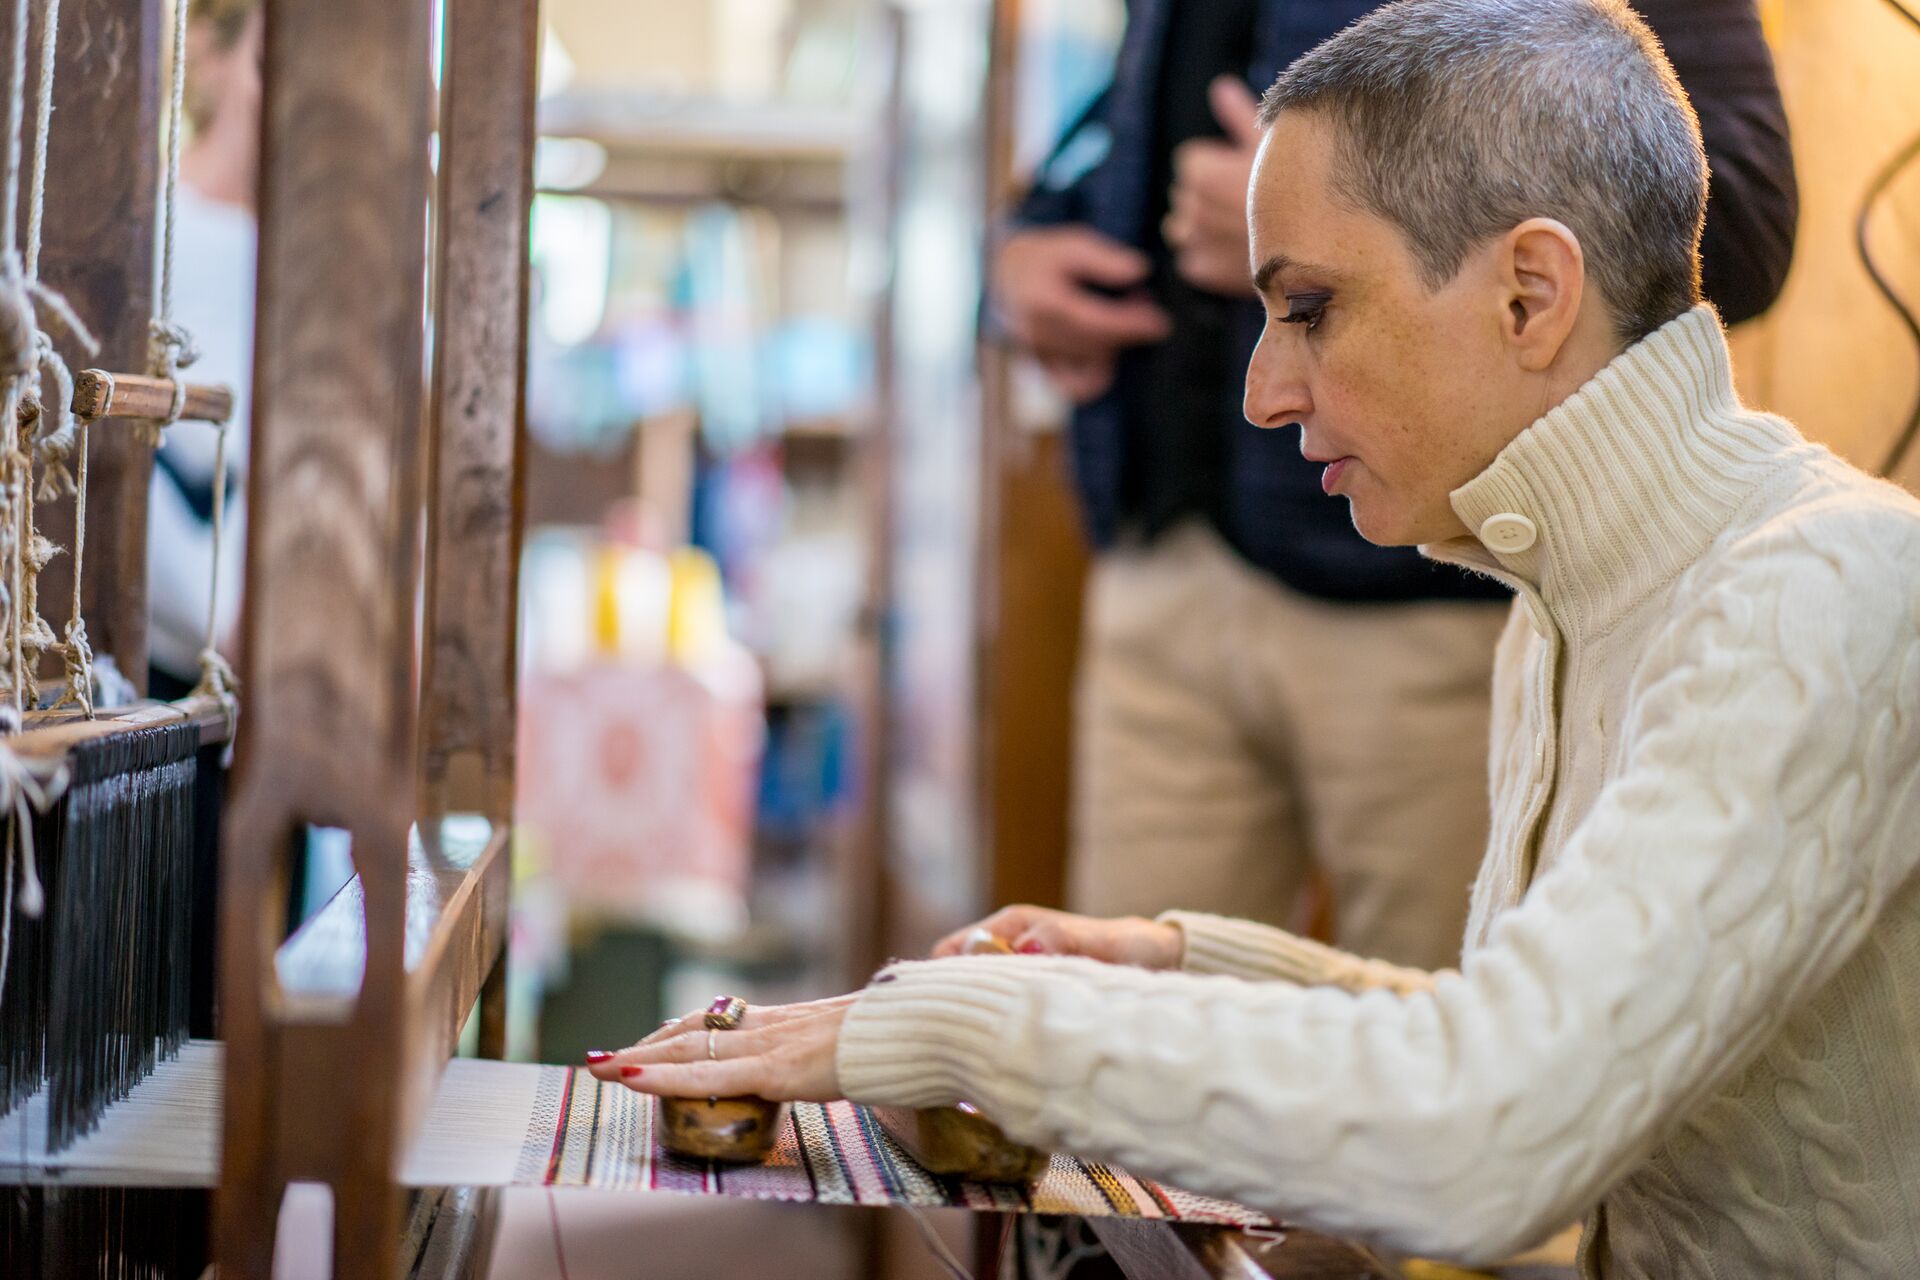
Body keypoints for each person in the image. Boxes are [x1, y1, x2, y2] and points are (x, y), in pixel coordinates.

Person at [592, 2, 1920, 1274]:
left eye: (1312, 308)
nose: (1265, 391)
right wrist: (1176, 967)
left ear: (1531, 294)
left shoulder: (1815, 588)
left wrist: (959, 1026)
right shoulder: (1563, 604)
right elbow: (1529, 1042)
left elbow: (1488, 1144)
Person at [992, 0, 1797, 972]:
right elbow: (1134, 116)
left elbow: (1738, 213)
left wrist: (1301, 208)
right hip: (1157, 563)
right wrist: (1017, 254)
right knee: (1115, 1074)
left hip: (1432, 600)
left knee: (1444, 1057)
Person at [146, 0, 260, 699]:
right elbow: (108, 459)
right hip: (165, 669)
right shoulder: (156, 232)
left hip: (281, 681)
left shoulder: (324, 272)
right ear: (215, 59)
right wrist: (227, 619)